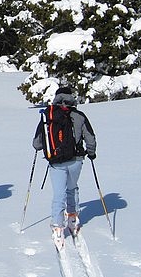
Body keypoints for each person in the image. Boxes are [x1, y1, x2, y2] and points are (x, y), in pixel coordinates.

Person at [32, 86, 96, 240]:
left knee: (59, 193)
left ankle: (57, 225)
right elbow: (90, 137)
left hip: (56, 162)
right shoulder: (79, 115)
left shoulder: (48, 116)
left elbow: (37, 143)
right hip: (76, 160)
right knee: (72, 188)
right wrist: (91, 152)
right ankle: (73, 219)